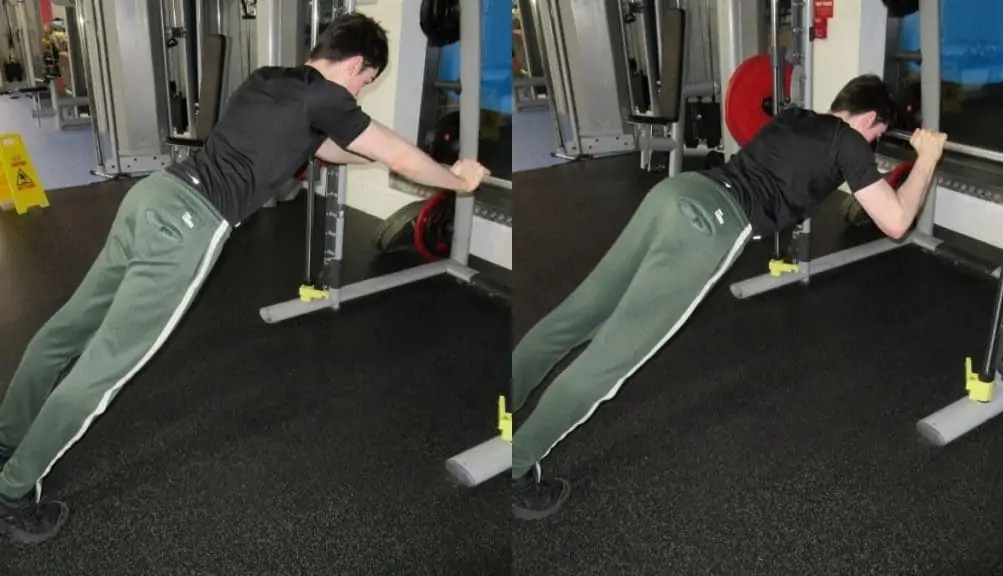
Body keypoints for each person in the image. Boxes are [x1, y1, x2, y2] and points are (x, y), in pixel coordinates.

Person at [0, 13, 490, 544]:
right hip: (188, 226)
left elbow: (325, 147)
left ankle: (6, 438)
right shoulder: (329, 96)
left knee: (69, 328)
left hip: (152, 197)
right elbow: (397, 151)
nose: (359, 91)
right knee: (105, 369)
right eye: (364, 81)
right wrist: (457, 180)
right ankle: (12, 489)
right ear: (355, 65)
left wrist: (372, 161)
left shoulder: (270, 79)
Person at [510, 74, 948, 520]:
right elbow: (895, 223)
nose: (872, 148)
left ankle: (507, 395)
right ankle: (518, 465)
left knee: (580, 314)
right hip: (706, 227)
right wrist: (927, 159)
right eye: (875, 136)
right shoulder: (849, 142)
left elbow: (815, 174)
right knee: (611, 360)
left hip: (676, 192)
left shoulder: (797, 117)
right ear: (871, 119)